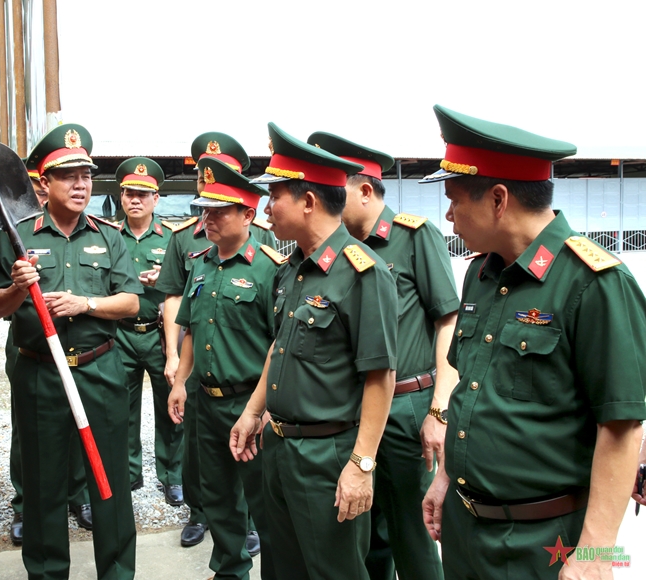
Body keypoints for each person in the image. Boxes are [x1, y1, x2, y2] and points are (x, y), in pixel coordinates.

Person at [419, 105, 646, 580]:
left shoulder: (594, 283)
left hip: (542, 542)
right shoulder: (480, 275)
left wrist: (595, 555)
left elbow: (622, 426)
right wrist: (445, 477)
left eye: (455, 199)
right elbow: (471, 389)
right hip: (466, 532)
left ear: (498, 199)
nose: (448, 214)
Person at [231, 122, 398, 579]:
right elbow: (279, 350)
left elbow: (381, 375)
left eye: (275, 195)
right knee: (283, 570)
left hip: (328, 457)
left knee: (335, 571)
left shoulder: (363, 273)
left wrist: (362, 464)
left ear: (307, 201)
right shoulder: (293, 269)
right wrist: (252, 412)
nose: (267, 207)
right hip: (280, 449)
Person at [0, 124, 141, 580]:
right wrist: (17, 286)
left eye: (86, 176)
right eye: (68, 176)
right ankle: (48, 573)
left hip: (100, 371)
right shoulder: (17, 236)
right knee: (44, 486)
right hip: (41, 375)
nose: (80, 185)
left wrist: (84, 303)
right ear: (43, 183)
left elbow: (131, 301)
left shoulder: (109, 236)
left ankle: (116, 572)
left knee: (109, 484)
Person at [309, 131, 456, 580]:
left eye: (340, 190)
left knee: (412, 530)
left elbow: (447, 321)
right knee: (365, 527)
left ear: (366, 191)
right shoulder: (340, 253)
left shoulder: (414, 237)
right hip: (358, 405)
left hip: (408, 406)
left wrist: (439, 409)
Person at [168, 157, 282, 580]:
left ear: (248, 214)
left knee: (263, 500)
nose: (207, 218)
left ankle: (275, 569)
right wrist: (180, 382)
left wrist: (265, 407)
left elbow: (280, 346)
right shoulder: (199, 264)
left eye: (219, 210)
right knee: (215, 495)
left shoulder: (271, 269)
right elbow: (192, 332)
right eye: (204, 209)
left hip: (248, 404)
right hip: (205, 402)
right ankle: (230, 569)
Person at [0, 162, 92, 544]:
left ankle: (76, 496)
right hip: (29, 343)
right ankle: (26, 503)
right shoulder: (7, 232)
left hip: (77, 345)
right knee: (30, 430)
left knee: (78, 419)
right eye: (41, 188)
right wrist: (19, 285)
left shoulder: (85, 231)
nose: (38, 199)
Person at [112, 156, 184, 503]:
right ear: (121, 197)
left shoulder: (172, 239)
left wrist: (165, 278)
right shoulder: (108, 237)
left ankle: (173, 475)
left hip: (159, 333)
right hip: (120, 334)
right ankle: (128, 473)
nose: (135, 200)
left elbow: (182, 287)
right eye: (129, 193)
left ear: (156, 199)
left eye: (143, 194)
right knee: (121, 407)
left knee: (170, 406)